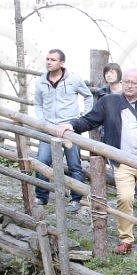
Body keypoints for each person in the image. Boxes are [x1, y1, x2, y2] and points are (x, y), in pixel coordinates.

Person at [56, 68, 137, 259]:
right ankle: (126, 239)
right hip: (122, 160)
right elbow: (89, 120)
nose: (130, 85)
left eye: (134, 83)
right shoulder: (109, 102)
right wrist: (71, 125)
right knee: (125, 198)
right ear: (122, 83)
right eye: (127, 82)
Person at [32, 48, 92, 214]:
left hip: (70, 129)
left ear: (62, 63)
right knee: (42, 162)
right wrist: (42, 121)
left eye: (53, 60)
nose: (49, 62)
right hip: (49, 127)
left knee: (74, 165)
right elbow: (37, 103)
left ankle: (75, 200)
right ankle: (41, 197)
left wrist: (81, 118)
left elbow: (88, 96)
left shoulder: (74, 79)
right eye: (48, 59)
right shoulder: (41, 81)